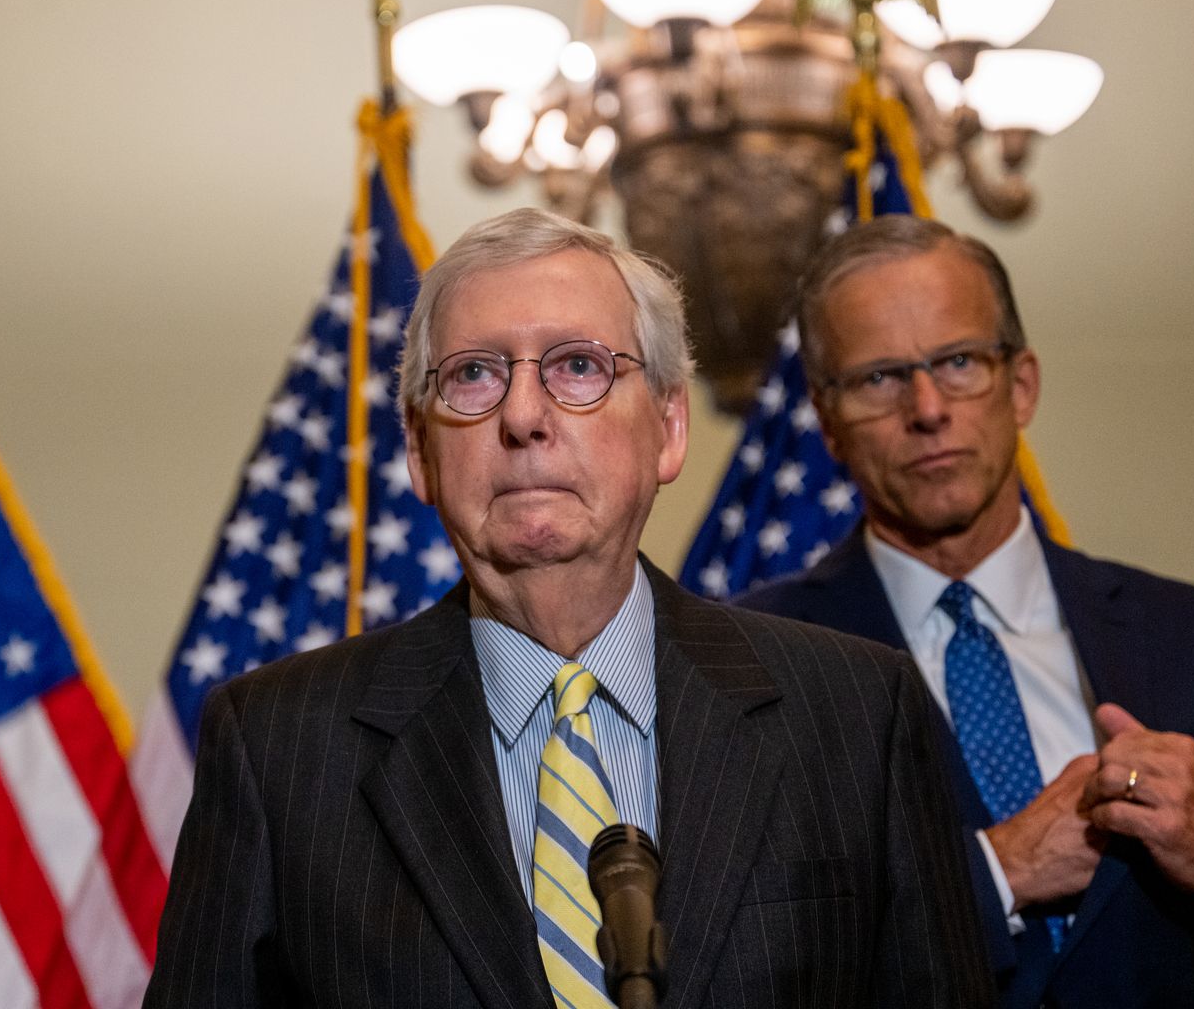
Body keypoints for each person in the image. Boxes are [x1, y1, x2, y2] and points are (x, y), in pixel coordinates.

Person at [144, 208, 990, 1008]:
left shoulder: (856, 714)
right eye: (474, 375)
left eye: (577, 366)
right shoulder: (278, 747)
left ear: (668, 425)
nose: (522, 415)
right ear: (419, 451)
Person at [737, 214, 1194, 1008]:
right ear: (828, 421)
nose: (927, 409)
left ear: (1020, 385)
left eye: (958, 362)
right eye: (880, 377)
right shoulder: (751, 666)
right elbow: (747, 967)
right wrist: (992, 876)